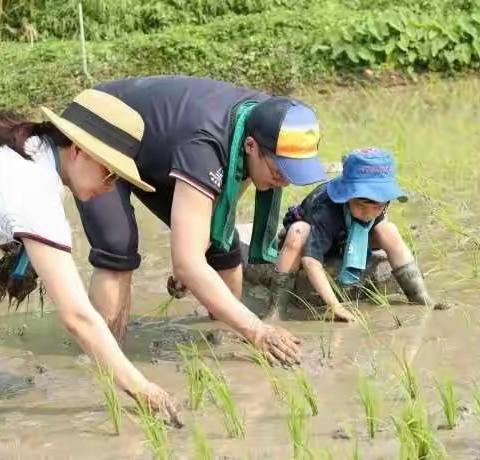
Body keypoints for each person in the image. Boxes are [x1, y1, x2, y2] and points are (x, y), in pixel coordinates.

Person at [43, 76, 327, 366]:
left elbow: (221, 205)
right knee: (118, 247)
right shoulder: (206, 146)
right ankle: (105, 361)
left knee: (223, 249)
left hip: (164, 149)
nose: (285, 181)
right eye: (280, 172)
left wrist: (196, 252)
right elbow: (187, 263)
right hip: (105, 131)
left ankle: (223, 345)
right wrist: (257, 329)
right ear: (251, 147)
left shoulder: (265, 120)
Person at [0, 108, 181, 426]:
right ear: (79, 150)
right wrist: (142, 389)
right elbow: (78, 317)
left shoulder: (26, 146)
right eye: (108, 172)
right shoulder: (34, 190)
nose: (111, 186)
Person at [271, 147, 445, 322]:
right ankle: (276, 309)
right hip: (315, 237)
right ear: (347, 196)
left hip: (347, 238)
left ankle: (420, 297)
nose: (368, 214)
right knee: (298, 232)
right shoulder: (326, 209)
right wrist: (335, 306)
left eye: (377, 207)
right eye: (361, 206)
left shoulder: (380, 207)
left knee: (389, 230)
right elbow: (310, 260)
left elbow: (382, 228)